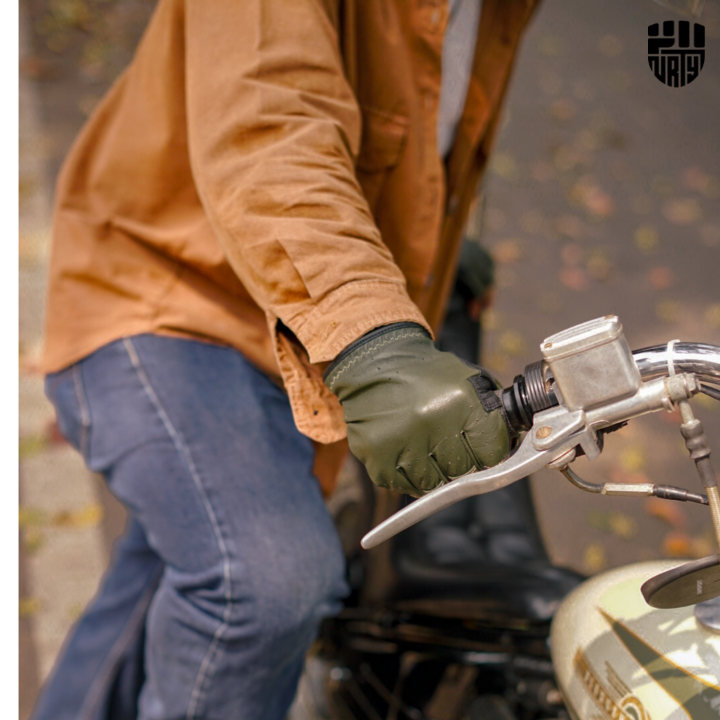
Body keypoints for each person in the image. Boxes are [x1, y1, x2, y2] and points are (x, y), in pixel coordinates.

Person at [32, 1, 541, 718]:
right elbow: (269, 125)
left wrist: (430, 249)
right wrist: (373, 337)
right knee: (261, 584)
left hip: (290, 320)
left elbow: (416, 134)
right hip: (164, 291)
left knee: (179, 560)